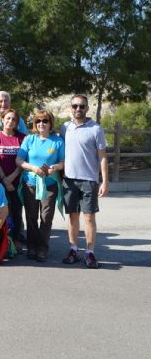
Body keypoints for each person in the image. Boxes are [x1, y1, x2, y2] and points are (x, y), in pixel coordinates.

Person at [60, 94, 109, 269]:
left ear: (87, 108)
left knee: (89, 217)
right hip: (69, 180)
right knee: (72, 216)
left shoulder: (96, 129)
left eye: (82, 106)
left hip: (89, 179)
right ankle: (73, 249)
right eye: (75, 106)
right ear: (71, 108)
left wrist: (104, 181)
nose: (78, 109)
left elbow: (102, 157)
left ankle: (90, 252)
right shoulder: (65, 127)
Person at [16, 110, 64, 261]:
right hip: (30, 183)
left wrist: (54, 168)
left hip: (49, 184)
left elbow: (63, 162)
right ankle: (31, 246)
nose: (41, 124)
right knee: (31, 217)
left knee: (46, 217)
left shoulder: (57, 141)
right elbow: (19, 160)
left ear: (50, 123)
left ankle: (42, 248)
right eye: (38, 121)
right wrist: (33, 168)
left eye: (45, 121)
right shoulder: (29, 140)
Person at [0, 109, 26, 246]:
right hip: (0, 181)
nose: (10, 121)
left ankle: (16, 239)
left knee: (16, 211)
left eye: (13, 119)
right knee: (1, 211)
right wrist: (4, 179)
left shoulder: (22, 138)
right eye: (7, 118)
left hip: (18, 181)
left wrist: (12, 177)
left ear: (17, 123)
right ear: (2, 120)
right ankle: (1, 239)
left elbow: (25, 160)